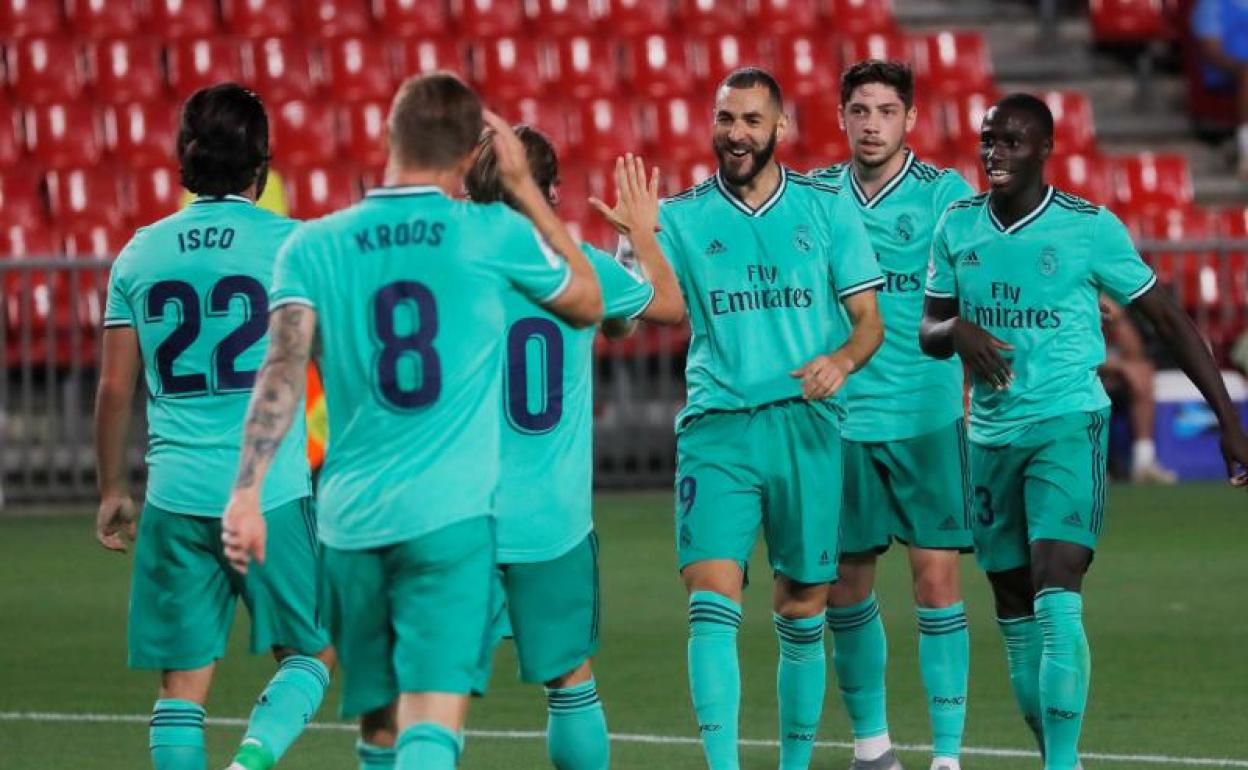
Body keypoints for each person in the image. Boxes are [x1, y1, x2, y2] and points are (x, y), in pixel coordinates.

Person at [219, 72, 604, 770]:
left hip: (351, 520)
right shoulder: (487, 232)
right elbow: (587, 300)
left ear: (386, 137)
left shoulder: (312, 244)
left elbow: (279, 372)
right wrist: (526, 194)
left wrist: (246, 492)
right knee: (431, 721)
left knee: (380, 727)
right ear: (465, 155)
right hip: (450, 517)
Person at [920, 92, 1248, 770]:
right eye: (988, 139)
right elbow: (929, 328)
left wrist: (1229, 419)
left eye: (1011, 141)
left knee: (1057, 582)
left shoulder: (1088, 228)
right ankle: (1054, 753)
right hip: (990, 437)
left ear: (1045, 150)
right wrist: (956, 330)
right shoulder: (956, 226)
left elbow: (1168, 319)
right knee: (1013, 603)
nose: (994, 152)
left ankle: (1063, 765)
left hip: (1067, 422)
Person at [93, 83, 334, 770]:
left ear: (186, 159)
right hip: (271, 493)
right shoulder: (294, 245)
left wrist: (112, 490)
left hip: (175, 494)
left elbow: (115, 388)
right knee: (311, 652)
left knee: (180, 689)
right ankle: (250, 761)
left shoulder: (140, 254)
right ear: (262, 163)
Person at [658, 66, 884, 770]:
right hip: (718, 426)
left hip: (806, 426)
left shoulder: (826, 208)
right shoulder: (678, 216)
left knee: (802, 607)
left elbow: (869, 322)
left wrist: (841, 360)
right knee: (710, 595)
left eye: (752, 120)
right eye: (726, 118)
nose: (737, 133)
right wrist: (636, 237)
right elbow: (639, 315)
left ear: (780, 127)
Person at [464, 126, 685, 770]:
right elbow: (662, 308)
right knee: (569, 681)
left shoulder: (447, 272)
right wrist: (639, 236)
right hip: (551, 521)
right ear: (551, 194)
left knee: (434, 691)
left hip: (459, 516)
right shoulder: (582, 268)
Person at [811, 60, 975, 770]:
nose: (871, 124)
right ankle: (872, 747)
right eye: (859, 110)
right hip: (842, 418)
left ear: (910, 118)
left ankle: (947, 756)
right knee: (845, 587)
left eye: (885, 111)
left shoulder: (945, 194)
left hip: (926, 415)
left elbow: (988, 267)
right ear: (841, 117)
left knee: (936, 581)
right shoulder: (816, 195)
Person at [1098, 296, 1177, 483]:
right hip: (1077, 380)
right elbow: (1076, 359)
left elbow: (1136, 355)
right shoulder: (1074, 319)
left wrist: (1119, 321)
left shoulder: (1115, 322)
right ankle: (1093, 465)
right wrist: (1119, 367)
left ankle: (1143, 462)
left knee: (1142, 373)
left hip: (1108, 380)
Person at [1192, 0, 1248, 177]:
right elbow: (1211, 49)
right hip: (1226, 69)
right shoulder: (1212, 4)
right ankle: (1246, 150)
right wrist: (1241, 67)